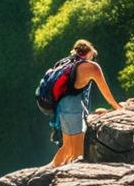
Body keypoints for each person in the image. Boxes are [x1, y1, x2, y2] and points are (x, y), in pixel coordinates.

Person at [47, 39, 122, 168]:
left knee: (67, 147)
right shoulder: (92, 67)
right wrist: (119, 108)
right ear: (89, 53)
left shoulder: (67, 63)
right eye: (93, 56)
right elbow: (107, 94)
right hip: (74, 110)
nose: (93, 59)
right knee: (77, 154)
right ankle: (66, 178)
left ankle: (48, 171)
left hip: (61, 108)